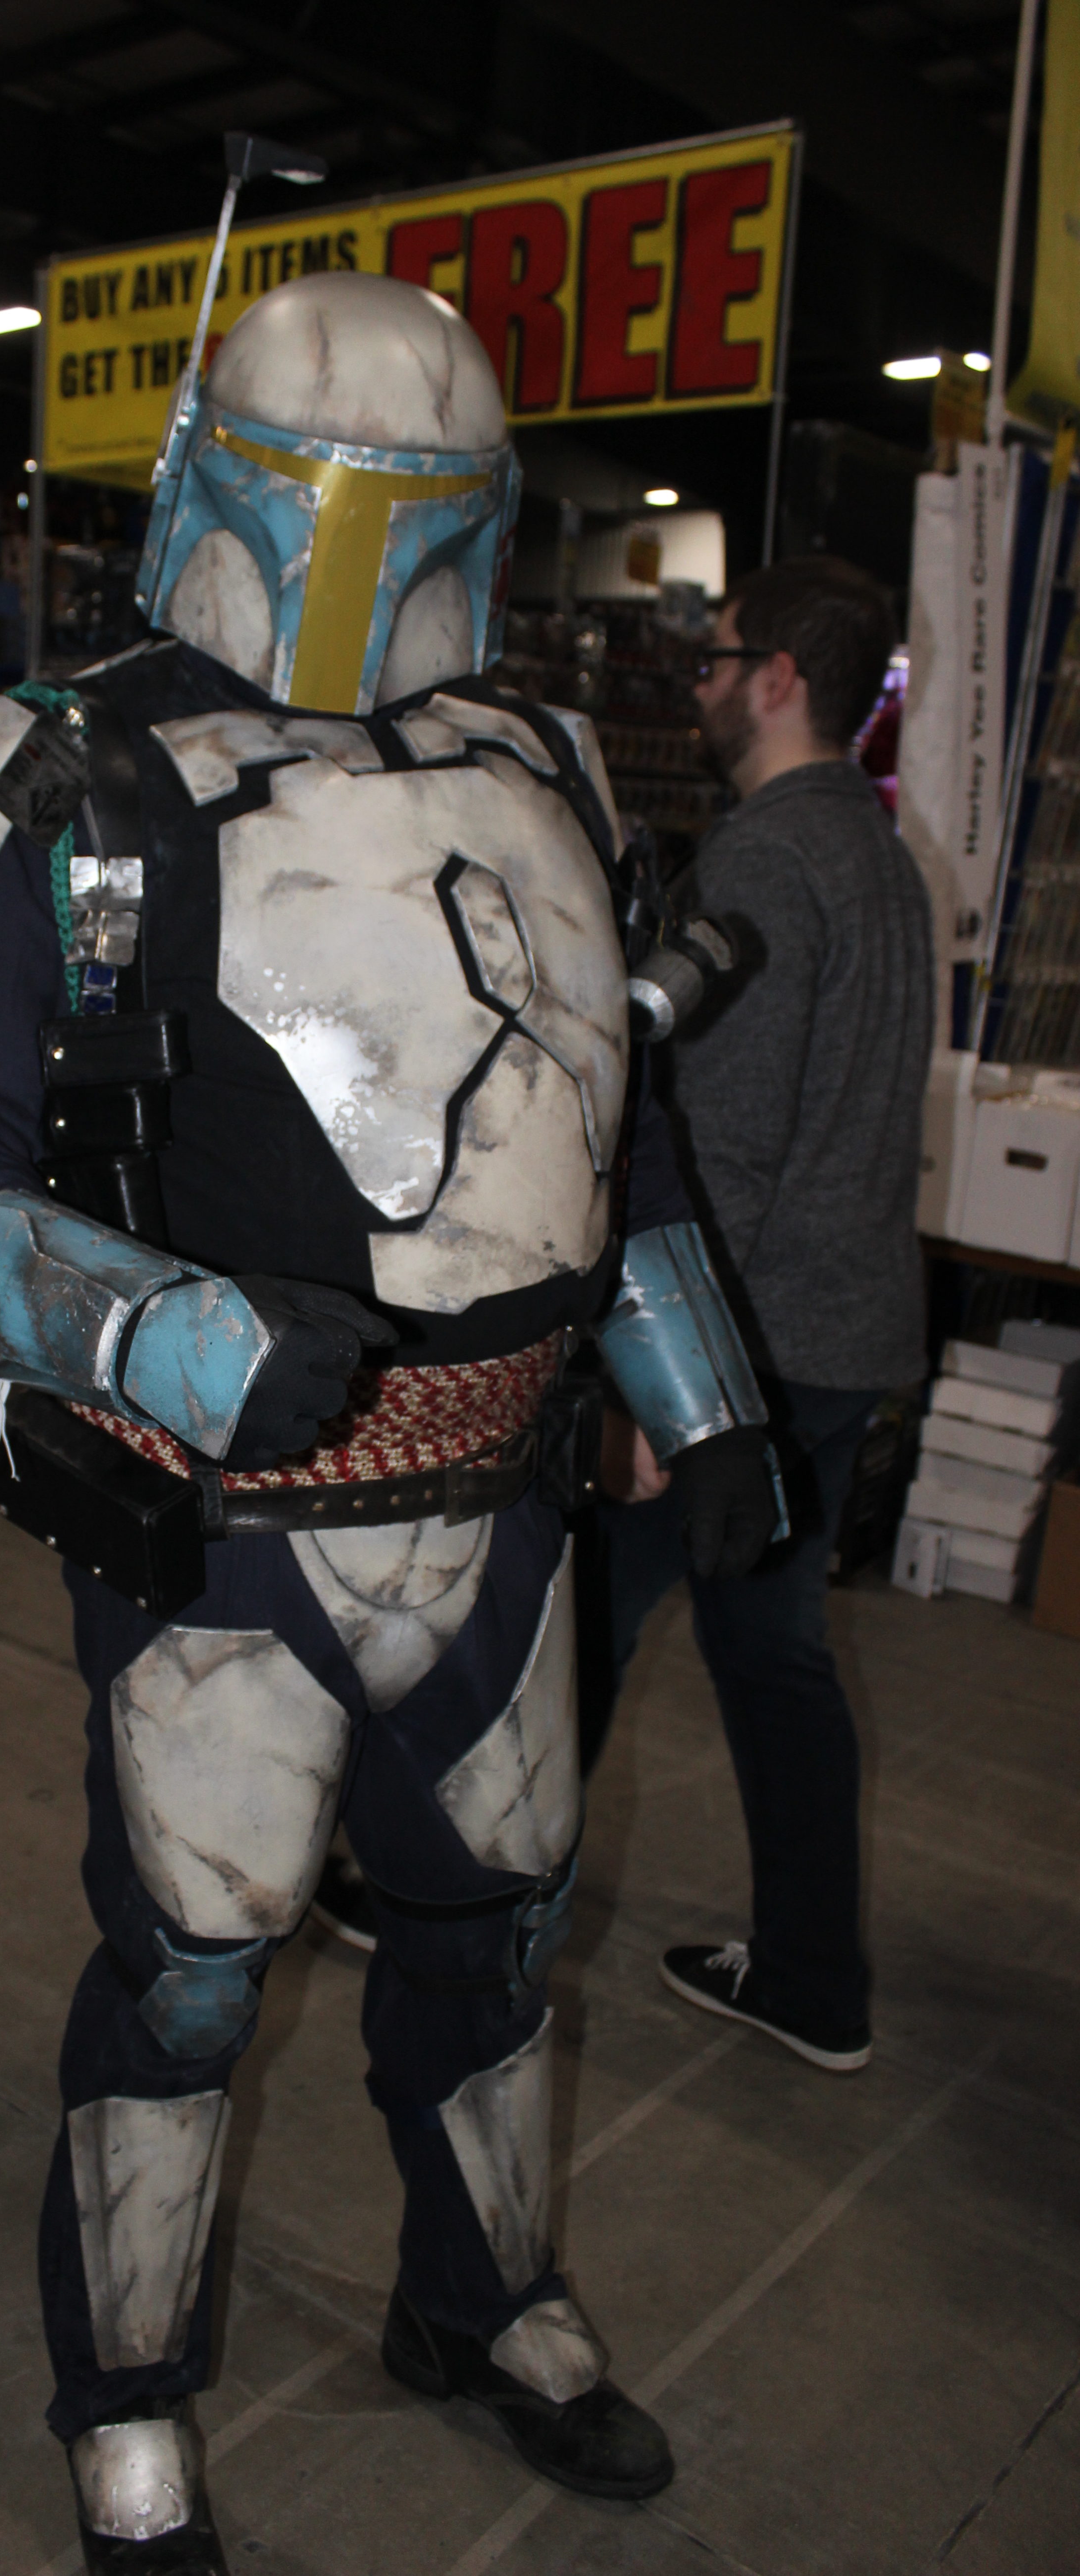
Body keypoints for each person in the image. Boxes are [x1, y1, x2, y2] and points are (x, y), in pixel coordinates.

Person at [0, 270, 781, 2570]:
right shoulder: (52, 770)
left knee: (501, 1932)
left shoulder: (544, 760)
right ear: (209, 488)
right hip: (226, 1518)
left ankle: (482, 2296)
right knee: (190, 1968)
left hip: (504, 1505)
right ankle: (125, 2404)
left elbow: (614, 1122)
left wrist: (694, 1395)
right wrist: (158, 1337)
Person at [593, 557, 933, 2078]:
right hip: (843, 1333)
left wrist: (662, 1387)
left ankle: (460, 1904)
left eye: (718, 661)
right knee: (772, 1656)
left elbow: (716, 1148)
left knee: (576, 1628)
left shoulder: (763, 862)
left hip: (746, 1349)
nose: (703, 687)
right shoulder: (881, 853)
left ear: (780, 678)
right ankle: (810, 1976)